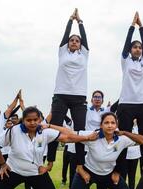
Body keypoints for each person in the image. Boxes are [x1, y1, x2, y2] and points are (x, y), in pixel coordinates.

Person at [0, 106, 98, 189]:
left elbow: (67, 137)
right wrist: (3, 164)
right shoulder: (13, 131)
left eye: (35, 119)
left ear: (40, 119)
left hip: (36, 172)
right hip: (13, 170)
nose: (32, 123)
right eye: (29, 120)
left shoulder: (45, 131)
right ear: (24, 120)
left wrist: (87, 137)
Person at [47, 8, 89, 171]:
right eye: (72, 40)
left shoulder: (84, 55)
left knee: (79, 130)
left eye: (76, 41)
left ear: (80, 45)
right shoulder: (62, 52)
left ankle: (80, 163)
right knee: (54, 126)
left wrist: (80, 21)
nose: (73, 42)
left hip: (78, 96)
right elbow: (65, 36)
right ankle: (50, 160)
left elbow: (85, 38)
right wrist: (70, 20)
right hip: (61, 95)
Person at [68, 112, 135, 189]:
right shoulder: (93, 135)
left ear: (116, 125)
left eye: (113, 123)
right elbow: (69, 136)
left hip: (108, 173)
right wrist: (87, 138)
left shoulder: (122, 139)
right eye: (106, 123)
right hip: (88, 171)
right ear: (101, 125)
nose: (110, 125)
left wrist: (126, 133)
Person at [117, 11, 143, 174]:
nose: (138, 49)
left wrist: (142, 26)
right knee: (124, 136)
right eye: (135, 47)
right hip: (126, 104)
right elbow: (125, 43)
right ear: (130, 50)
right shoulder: (125, 60)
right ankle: (119, 167)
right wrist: (133, 25)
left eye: (139, 47)